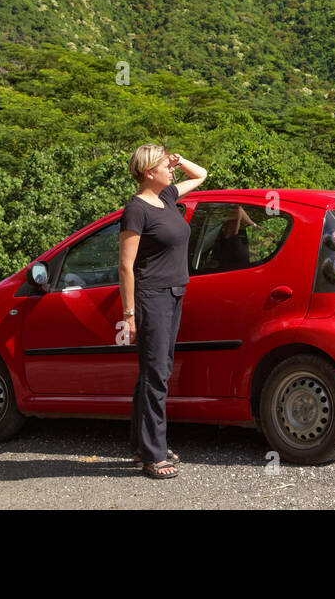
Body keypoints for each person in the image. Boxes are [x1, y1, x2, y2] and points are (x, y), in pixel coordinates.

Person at [119, 144, 206, 479]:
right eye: (164, 165)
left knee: (155, 371)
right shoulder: (137, 209)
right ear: (147, 173)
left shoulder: (167, 198)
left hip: (173, 294)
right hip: (151, 297)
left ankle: (142, 444)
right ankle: (153, 455)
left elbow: (201, 175)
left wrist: (180, 160)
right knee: (156, 375)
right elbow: (126, 267)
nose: (171, 169)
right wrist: (129, 314)